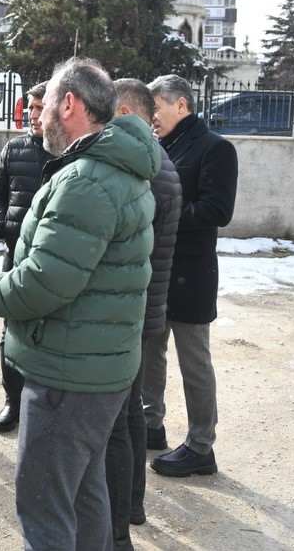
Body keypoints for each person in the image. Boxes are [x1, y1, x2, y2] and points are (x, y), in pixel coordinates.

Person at [0, 57, 159, 551]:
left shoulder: (86, 180)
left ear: (69, 104)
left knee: (45, 506)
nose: (35, 119)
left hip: (68, 376)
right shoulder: (113, 169)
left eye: (42, 110)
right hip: (95, 370)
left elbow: (45, 283)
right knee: (84, 493)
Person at [144, 74, 239, 478]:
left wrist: (163, 217)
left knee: (193, 361)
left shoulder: (216, 148)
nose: (151, 118)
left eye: (156, 109)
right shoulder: (159, 146)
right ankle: (151, 425)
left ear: (180, 105)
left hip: (192, 273)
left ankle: (201, 446)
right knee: (150, 350)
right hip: (158, 269)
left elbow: (218, 211)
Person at [104, 79, 182, 550]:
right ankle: (132, 504)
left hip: (135, 307)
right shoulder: (157, 160)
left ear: (126, 109)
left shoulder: (147, 168)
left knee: (121, 418)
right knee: (130, 413)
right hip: (145, 306)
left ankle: (122, 520)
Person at [0, 81, 52, 432]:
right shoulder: (14, 148)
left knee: (47, 331)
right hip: (14, 254)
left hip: (53, 257)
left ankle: (41, 403)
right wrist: (0, 222)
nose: (33, 114)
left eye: (40, 108)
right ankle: (13, 401)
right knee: (10, 329)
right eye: (30, 107)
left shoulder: (66, 151)